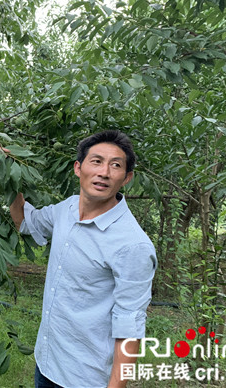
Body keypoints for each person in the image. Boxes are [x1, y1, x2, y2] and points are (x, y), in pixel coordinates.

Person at [9, 130, 157, 388]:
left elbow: (129, 330)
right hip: (46, 363)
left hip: (85, 379)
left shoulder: (132, 245)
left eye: (116, 165)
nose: (104, 172)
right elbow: (25, 221)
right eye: (96, 161)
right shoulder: (66, 209)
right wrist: (9, 171)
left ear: (127, 178)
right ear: (78, 168)